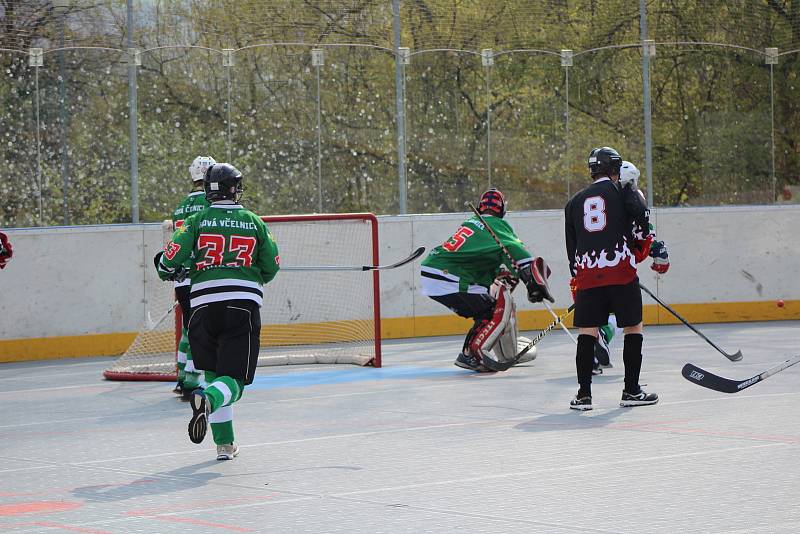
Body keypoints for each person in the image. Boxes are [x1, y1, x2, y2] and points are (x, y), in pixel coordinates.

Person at [155, 163, 280, 460]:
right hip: (241, 306)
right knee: (233, 381)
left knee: (215, 376)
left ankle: (225, 445)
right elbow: (271, 267)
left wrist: (173, 268)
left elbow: (167, 265)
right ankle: (206, 400)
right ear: (233, 188)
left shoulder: (196, 221)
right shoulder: (254, 221)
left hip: (202, 309)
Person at [564, 147, 669, 410]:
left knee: (587, 333)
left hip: (588, 275)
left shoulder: (574, 202)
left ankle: (584, 395)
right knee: (633, 328)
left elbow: (572, 248)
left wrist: (581, 274)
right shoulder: (624, 192)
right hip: (621, 273)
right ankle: (631, 391)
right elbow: (643, 225)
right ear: (616, 169)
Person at [420, 188, 554, 372]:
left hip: (436, 272)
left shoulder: (474, 223)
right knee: (499, 306)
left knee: (488, 309)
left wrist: (509, 275)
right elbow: (518, 252)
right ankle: (473, 355)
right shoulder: (495, 224)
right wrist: (533, 281)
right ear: (502, 210)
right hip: (448, 275)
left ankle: (479, 353)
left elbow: (488, 262)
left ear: (479, 206)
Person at [590, 160, 670, 375]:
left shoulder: (593, 197)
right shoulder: (634, 197)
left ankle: (592, 350)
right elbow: (642, 233)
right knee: (627, 318)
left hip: (590, 266)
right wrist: (657, 250)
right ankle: (629, 382)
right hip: (621, 267)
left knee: (594, 313)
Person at [171, 156, 215, 399]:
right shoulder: (210, 204)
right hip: (200, 276)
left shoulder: (180, 206)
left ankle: (181, 376)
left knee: (189, 328)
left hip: (181, 278)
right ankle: (191, 378)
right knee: (201, 331)